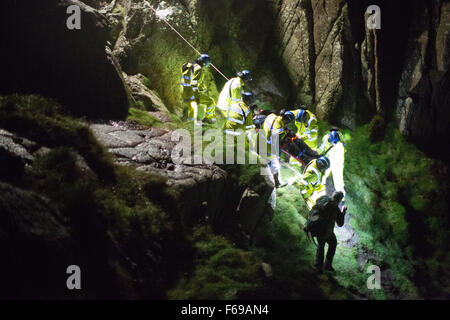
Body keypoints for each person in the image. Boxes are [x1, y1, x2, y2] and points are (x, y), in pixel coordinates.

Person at [304, 191, 346, 273]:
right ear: (339, 200)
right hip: (326, 232)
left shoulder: (323, 199)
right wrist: (343, 213)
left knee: (321, 245)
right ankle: (327, 265)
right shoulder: (335, 208)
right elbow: (340, 223)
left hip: (318, 229)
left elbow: (316, 203)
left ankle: (318, 265)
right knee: (332, 244)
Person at [260, 110, 295, 187]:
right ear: (286, 120)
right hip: (268, 147)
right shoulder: (278, 130)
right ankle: (277, 183)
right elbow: (276, 144)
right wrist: (278, 155)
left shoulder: (272, 116)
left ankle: (266, 180)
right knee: (275, 166)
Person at [181, 54, 216, 124]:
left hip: (183, 89)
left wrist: (201, 87)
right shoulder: (198, 68)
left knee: (194, 106)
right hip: (190, 92)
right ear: (204, 63)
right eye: (206, 65)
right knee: (205, 103)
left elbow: (190, 79)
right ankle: (194, 124)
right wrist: (196, 95)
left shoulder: (188, 63)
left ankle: (192, 122)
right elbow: (194, 83)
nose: (206, 66)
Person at [318, 128, 346, 200]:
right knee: (324, 176)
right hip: (331, 162)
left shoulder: (340, 147)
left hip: (337, 165)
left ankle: (341, 197)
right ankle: (321, 186)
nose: (333, 144)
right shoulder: (334, 144)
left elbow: (337, 159)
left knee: (338, 181)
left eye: (333, 142)